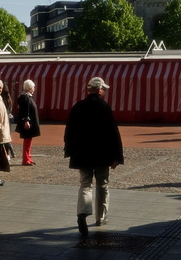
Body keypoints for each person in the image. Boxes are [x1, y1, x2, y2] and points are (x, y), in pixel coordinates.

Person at [64, 77, 124, 241]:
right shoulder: (104, 107)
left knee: (85, 183)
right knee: (102, 185)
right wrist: (117, 156)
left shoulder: (78, 106)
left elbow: (69, 130)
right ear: (99, 90)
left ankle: (82, 213)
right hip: (102, 155)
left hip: (82, 155)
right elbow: (113, 133)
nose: (105, 92)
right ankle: (100, 217)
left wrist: (69, 149)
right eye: (104, 89)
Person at [15, 79, 42, 166]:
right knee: (27, 141)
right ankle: (25, 159)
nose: (34, 89)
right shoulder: (26, 97)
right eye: (33, 87)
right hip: (28, 123)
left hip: (29, 122)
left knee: (29, 141)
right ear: (30, 88)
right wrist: (26, 121)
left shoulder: (26, 97)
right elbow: (25, 110)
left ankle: (28, 157)